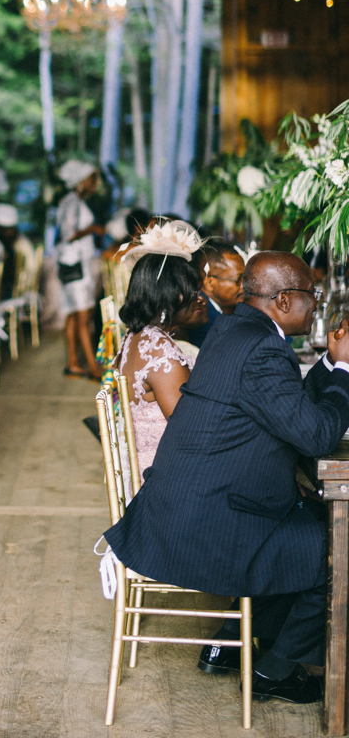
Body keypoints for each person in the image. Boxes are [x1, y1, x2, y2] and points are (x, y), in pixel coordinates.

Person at [105, 251, 349, 705]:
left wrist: (332, 366)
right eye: (310, 296)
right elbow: (315, 435)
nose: (316, 306)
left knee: (312, 519)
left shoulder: (234, 330)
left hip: (185, 502)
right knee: (337, 544)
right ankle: (274, 670)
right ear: (282, 300)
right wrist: (346, 373)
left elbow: (286, 405)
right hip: (208, 522)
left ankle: (238, 644)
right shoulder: (261, 347)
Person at [114, 221, 209, 480]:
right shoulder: (160, 352)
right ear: (168, 295)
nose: (202, 299)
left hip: (151, 465)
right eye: (193, 291)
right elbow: (190, 430)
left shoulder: (139, 335)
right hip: (166, 477)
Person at [56, 160, 105, 379]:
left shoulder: (71, 201)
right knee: (84, 316)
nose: (95, 183)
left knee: (74, 315)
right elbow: (68, 234)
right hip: (75, 265)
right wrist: (93, 229)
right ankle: (94, 369)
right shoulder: (73, 202)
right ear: (81, 181)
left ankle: (73, 363)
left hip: (71, 264)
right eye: (92, 179)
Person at [187, 240, 245, 348]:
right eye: (238, 279)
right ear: (209, 283)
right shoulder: (204, 319)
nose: (244, 286)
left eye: (245, 278)